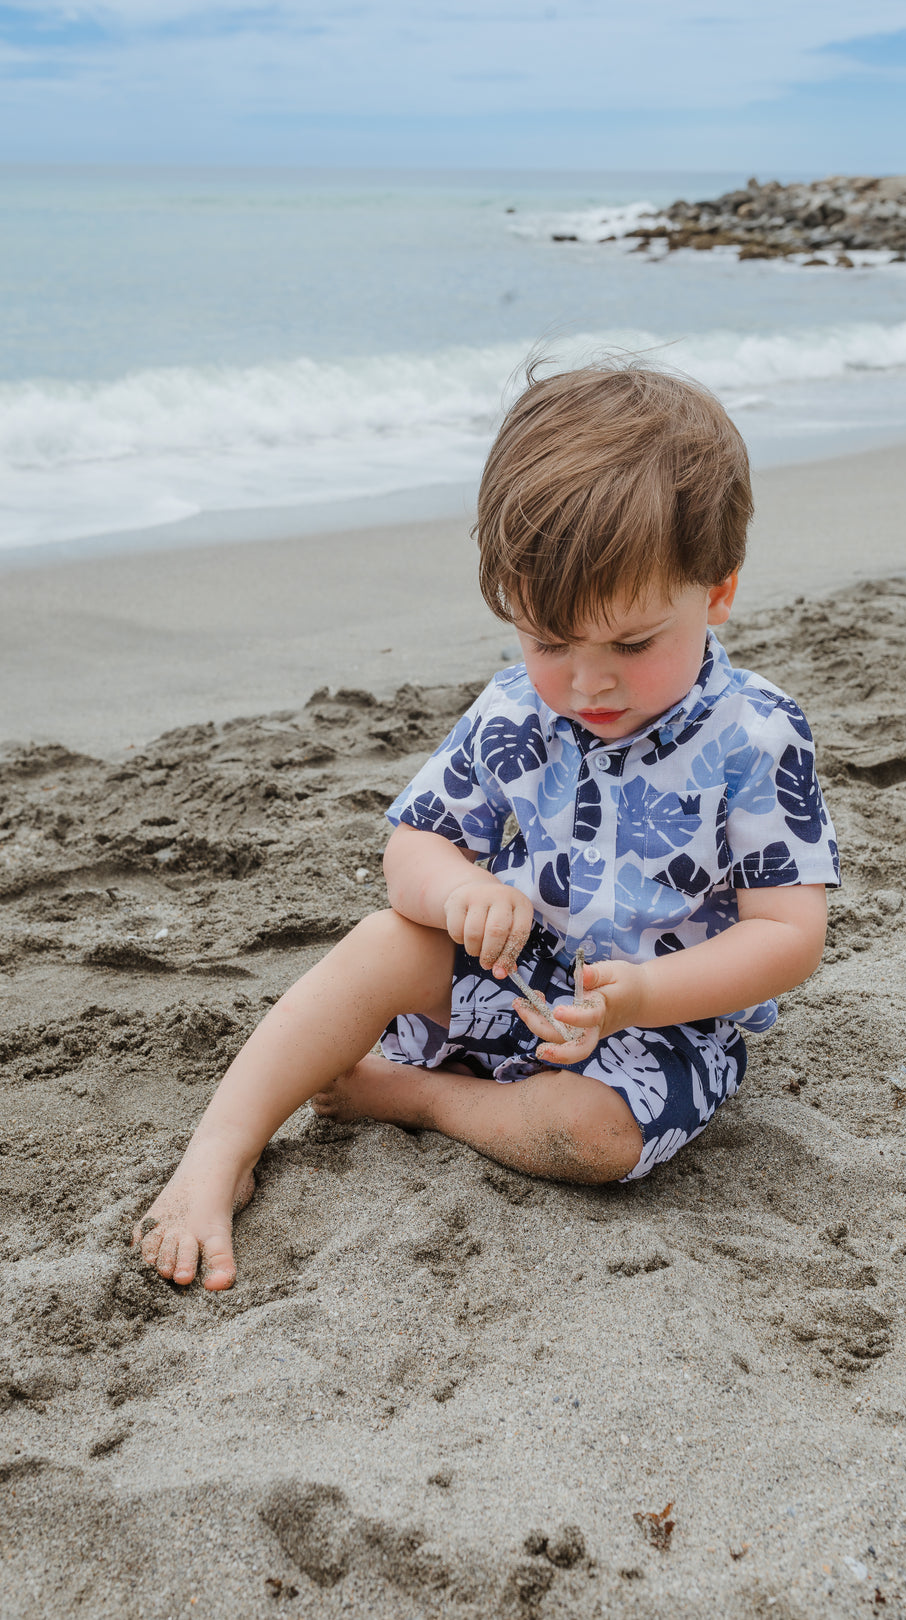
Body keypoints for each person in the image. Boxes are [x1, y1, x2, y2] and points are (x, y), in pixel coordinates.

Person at [133, 364, 840, 1291]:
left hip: (661, 1022)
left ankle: (417, 1095)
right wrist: (462, 890)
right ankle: (217, 1152)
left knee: (598, 1138)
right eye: (548, 641)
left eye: (630, 645)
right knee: (386, 941)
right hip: (515, 974)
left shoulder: (756, 734)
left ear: (717, 592)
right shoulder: (515, 711)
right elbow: (412, 850)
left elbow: (788, 936)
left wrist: (641, 996)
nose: (588, 684)